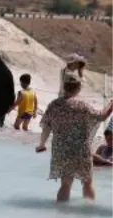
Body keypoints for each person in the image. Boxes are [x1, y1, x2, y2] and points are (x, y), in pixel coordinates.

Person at [36, 74, 113, 202]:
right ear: (78, 88)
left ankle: (60, 214)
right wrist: (111, 105)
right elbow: (101, 116)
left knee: (65, 185)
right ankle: (88, 214)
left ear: (64, 86)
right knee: (87, 183)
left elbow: (46, 126)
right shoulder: (81, 106)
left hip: (61, 150)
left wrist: (42, 144)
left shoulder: (54, 105)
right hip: (80, 151)